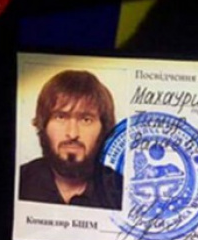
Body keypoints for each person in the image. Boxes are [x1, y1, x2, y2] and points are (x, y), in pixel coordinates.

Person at [19, 70, 122, 209]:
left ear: (104, 129)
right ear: (43, 124)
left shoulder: (122, 192)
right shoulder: (20, 181)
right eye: (60, 117)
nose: (72, 134)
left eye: (86, 120)